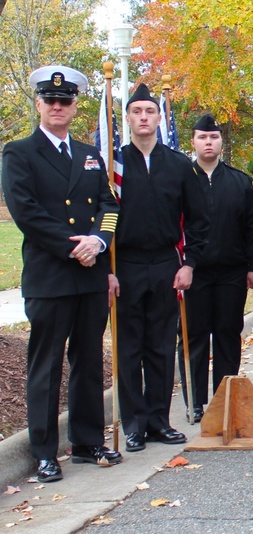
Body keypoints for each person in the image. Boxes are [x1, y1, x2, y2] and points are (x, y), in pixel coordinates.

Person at [1, 66, 122, 482]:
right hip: (51, 276)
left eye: (65, 101)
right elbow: (27, 214)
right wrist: (78, 247)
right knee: (47, 366)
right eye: (50, 100)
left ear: (74, 106)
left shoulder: (90, 154)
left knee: (88, 361)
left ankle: (88, 443)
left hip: (90, 276)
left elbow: (109, 207)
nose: (57, 106)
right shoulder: (18, 152)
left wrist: (99, 243)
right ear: (38, 103)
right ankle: (45, 453)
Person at [112, 84, 209, 453]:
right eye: (136, 112)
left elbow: (198, 220)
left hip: (167, 264)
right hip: (126, 264)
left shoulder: (178, 164)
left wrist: (190, 264)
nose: (143, 118)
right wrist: (108, 268)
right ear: (128, 118)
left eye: (149, 112)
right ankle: (133, 424)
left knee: (161, 345)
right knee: (129, 348)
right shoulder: (115, 164)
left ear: (158, 117)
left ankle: (158, 420)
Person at [176, 114, 253, 423]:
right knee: (194, 337)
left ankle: (224, 398)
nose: (208, 143)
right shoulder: (183, 180)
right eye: (202, 137)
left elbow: (251, 228)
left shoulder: (239, 182)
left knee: (227, 333)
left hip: (231, 272)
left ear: (221, 141)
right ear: (193, 142)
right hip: (193, 272)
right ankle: (195, 403)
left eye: (213, 137)